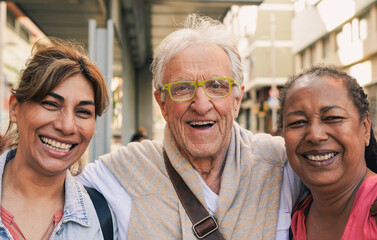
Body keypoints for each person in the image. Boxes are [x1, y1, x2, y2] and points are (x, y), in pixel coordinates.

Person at [78, 13, 301, 239]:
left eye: (216, 86)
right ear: (162, 104)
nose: (201, 105)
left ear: (236, 100)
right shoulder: (124, 170)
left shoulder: (281, 164)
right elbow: (53, 187)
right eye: (183, 88)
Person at [0, 38, 115, 239]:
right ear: (15, 108)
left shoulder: (102, 216)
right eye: (51, 104)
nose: (67, 126)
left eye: (83, 112)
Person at [278, 65, 377, 239]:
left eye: (333, 118)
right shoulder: (293, 220)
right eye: (298, 122)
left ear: (365, 128)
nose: (315, 136)